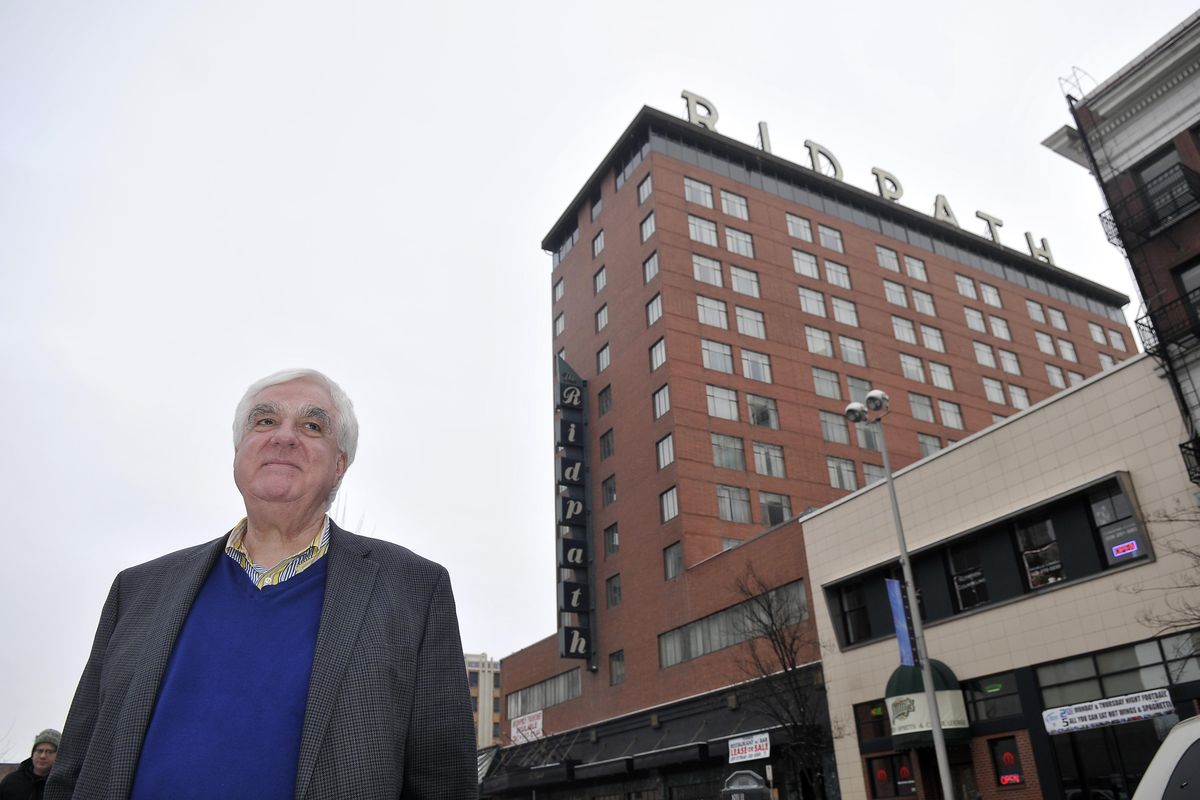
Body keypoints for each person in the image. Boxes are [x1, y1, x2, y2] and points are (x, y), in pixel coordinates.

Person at [47, 369, 477, 800]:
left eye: (312, 426)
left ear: (340, 463)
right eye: (265, 421)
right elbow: (77, 766)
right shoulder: (138, 590)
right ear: (239, 451)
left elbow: (443, 781)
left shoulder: (413, 590)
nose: (284, 437)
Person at [0, 730, 59, 800]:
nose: (42, 756)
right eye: (39, 751)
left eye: (49, 752)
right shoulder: (11, 781)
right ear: (32, 754)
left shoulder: (64, 785)